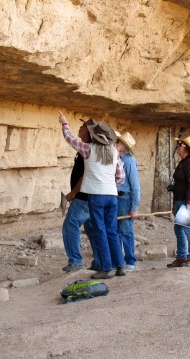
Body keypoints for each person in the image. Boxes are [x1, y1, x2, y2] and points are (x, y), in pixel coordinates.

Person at [58, 111, 126, 279]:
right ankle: (120, 266)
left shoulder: (88, 149)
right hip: (112, 196)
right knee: (111, 231)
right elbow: (120, 176)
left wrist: (64, 123)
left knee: (100, 230)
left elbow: (70, 139)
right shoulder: (113, 151)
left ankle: (106, 268)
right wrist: (110, 185)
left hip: (96, 196)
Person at [61, 119, 97, 272]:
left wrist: (73, 193)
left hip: (82, 198)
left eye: (82, 126)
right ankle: (100, 260)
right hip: (93, 197)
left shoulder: (87, 149)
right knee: (92, 230)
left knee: (70, 226)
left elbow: (86, 176)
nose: (80, 128)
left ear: (88, 132)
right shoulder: (95, 149)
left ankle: (75, 261)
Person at [167, 135, 190, 268]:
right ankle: (181, 257)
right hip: (180, 200)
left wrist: (187, 203)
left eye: (180, 145)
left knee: (187, 228)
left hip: (188, 200)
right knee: (179, 228)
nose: (178, 147)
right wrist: (175, 203)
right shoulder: (183, 162)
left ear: (186, 149)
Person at [115, 131, 141, 272]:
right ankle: (119, 261)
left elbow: (135, 185)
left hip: (125, 198)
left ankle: (130, 261)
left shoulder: (129, 161)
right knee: (116, 230)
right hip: (116, 197)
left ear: (123, 147)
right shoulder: (117, 157)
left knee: (126, 230)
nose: (115, 144)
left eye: (118, 142)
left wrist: (134, 207)